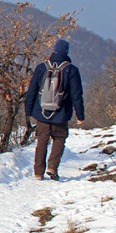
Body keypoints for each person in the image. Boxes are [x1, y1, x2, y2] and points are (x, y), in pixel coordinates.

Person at [25, 38, 85, 180]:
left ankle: (38, 172)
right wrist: (80, 116)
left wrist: (29, 110)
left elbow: (32, 90)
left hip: (42, 113)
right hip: (61, 113)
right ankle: (52, 166)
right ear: (66, 52)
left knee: (42, 141)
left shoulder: (41, 67)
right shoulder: (71, 70)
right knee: (59, 138)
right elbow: (77, 95)